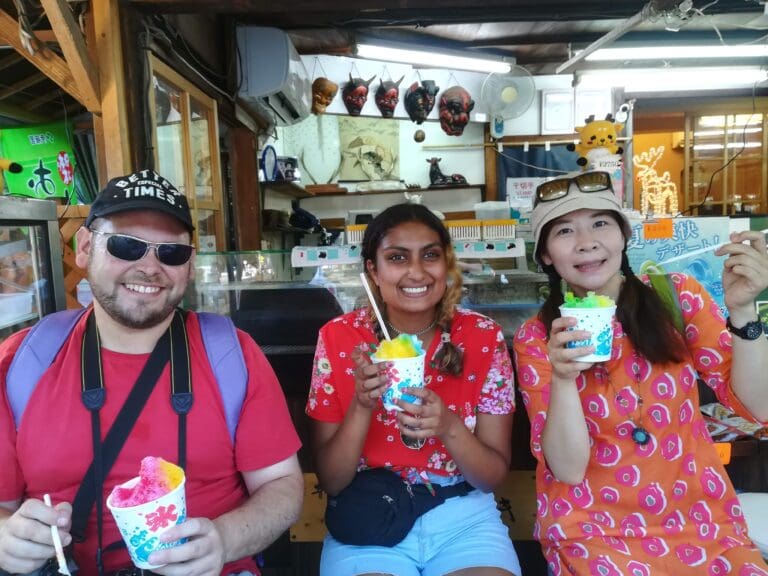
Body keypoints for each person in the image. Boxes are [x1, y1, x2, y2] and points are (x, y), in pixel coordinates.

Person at [0, 169, 304, 576]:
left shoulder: (233, 356)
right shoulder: (23, 362)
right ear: (85, 247)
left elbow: (282, 486)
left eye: (171, 253)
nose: (150, 267)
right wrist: (6, 539)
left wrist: (224, 539)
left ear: (190, 265)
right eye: (127, 246)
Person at [512, 170, 768, 575]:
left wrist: (743, 312)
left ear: (623, 235)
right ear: (545, 254)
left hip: (699, 521)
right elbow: (569, 468)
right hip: (592, 532)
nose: (587, 242)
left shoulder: (676, 296)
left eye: (600, 223)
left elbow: (761, 405)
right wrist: (563, 378)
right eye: (564, 231)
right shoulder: (539, 337)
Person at [306, 203, 521, 576]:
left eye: (431, 256)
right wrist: (362, 405)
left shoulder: (482, 337)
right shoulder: (339, 337)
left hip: (463, 516)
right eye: (397, 258)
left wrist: (449, 426)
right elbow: (332, 480)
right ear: (373, 270)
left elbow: (491, 477)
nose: (417, 272)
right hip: (370, 513)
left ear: (446, 264)